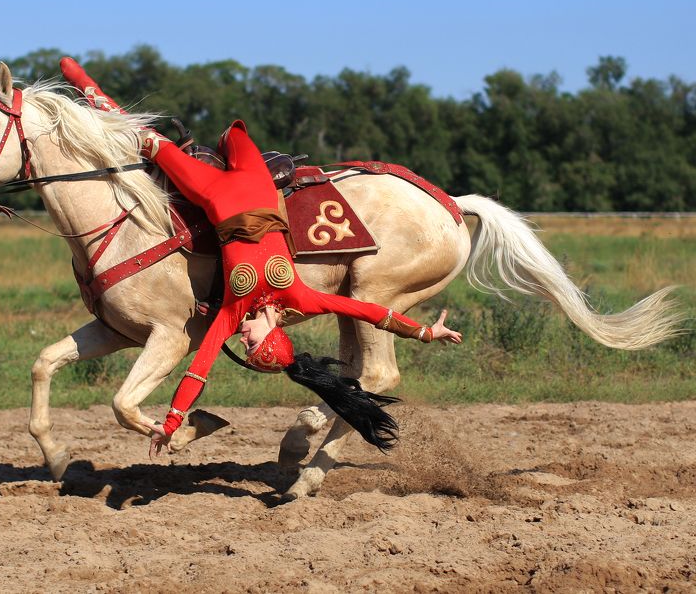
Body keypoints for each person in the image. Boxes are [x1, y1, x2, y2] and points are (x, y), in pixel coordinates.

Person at [58, 60, 462, 458]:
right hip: (257, 185)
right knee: (231, 132)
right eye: (253, 343)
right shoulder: (299, 297)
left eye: (246, 345)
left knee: (149, 140)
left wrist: (170, 421)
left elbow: (197, 371)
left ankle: (81, 84)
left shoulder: (234, 312)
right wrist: (426, 333)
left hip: (217, 196)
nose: (244, 340)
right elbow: (371, 312)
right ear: (272, 333)